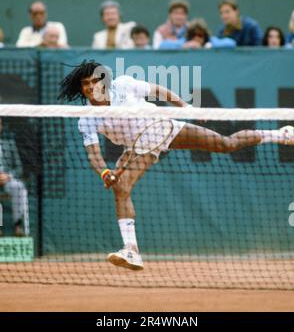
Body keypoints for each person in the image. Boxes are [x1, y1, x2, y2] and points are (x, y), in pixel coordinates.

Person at [58, 60, 294, 270]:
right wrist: (105, 172)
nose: (90, 87)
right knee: (121, 188)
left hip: (163, 126)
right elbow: (93, 154)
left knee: (225, 144)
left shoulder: (123, 84)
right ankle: (131, 250)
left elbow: (159, 91)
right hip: (137, 147)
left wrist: (186, 108)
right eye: (85, 84)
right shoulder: (86, 117)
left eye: (93, 81)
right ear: (81, 88)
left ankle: (279, 134)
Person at [0, 118, 29, 237]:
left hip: (7, 180)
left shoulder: (9, 143)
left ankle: (18, 225)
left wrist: (7, 176)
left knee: (18, 186)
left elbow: (19, 168)